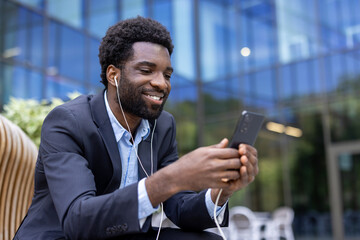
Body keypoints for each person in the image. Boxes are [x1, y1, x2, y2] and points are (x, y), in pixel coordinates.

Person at [14, 16, 259, 240]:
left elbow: (179, 209)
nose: (161, 83)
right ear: (113, 75)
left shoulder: (162, 126)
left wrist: (220, 192)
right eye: (146, 70)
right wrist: (173, 177)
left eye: (167, 75)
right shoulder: (68, 122)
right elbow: (78, 220)